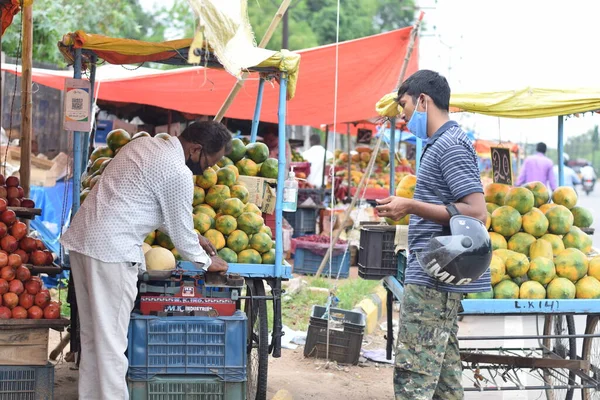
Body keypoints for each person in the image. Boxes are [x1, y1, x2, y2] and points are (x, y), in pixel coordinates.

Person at [61, 121, 231, 400]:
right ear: (195, 149)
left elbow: (142, 201)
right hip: (112, 253)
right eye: (210, 161)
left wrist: (195, 235)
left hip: (84, 243)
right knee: (112, 343)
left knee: (93, 339)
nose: (209, 169)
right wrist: (206, 261)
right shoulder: (177, 172)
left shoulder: (144, 145)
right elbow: (180, 233)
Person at [376, 70, 490, 400]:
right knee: (443, 381)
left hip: (433, 279)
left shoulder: (450, 146)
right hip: (436, 275)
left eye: (404, 105)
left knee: (414, 377)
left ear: (423, 100)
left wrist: (411, 205)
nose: (403, 115)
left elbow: (477, 211)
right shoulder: (439, 144)